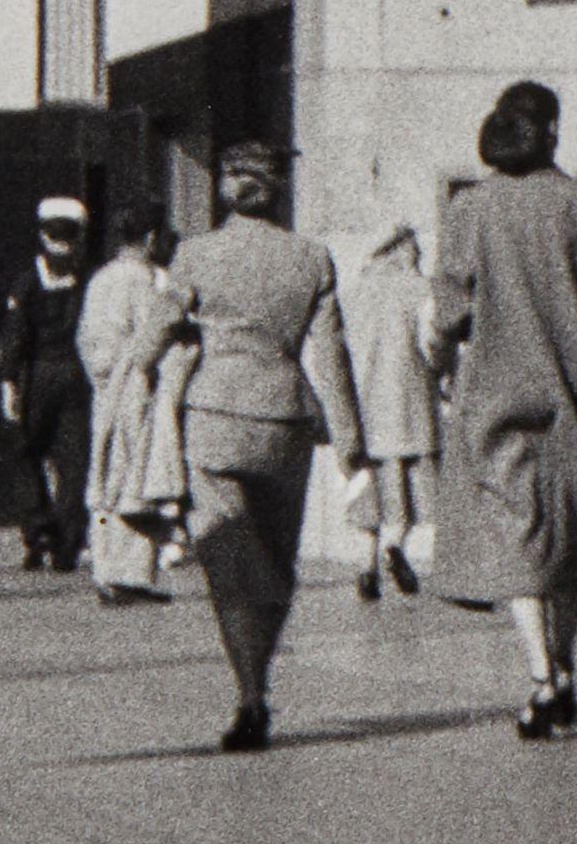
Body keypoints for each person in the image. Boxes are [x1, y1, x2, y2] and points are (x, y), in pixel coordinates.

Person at [430, 80, 577, 739]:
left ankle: (540, 673)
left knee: (514, 527)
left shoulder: (470, 209)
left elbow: (450, 311)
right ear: (553, 128)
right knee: (574, 526)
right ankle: (567, 667)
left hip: (494, 386)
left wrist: (442, 361)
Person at [174, 142, 369, 753]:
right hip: (285, 415)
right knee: (278, 559)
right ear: (278, 188)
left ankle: (250, 693)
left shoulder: (194, 254)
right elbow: (330, 355)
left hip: (212, 414)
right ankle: (262, 675)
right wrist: (350, 442)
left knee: (226, 555)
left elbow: (161, 326)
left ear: (226, 189)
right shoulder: (311, 258)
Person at [80, 210, 192, 604]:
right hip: (136, 389)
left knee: (108, 475)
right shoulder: (144, 280)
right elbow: (153, 337)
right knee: (136, 478)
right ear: (149, 237)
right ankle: (127, 575)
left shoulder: (100, 280)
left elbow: (87, 340)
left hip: (105, 387)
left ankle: (106, 569)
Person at [0, 196, 99, 574]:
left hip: (37, 375)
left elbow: (14, 336)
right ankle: (68, 540)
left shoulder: (26, 282)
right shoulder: (86, 278)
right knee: (73, 461)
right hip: (77, 375)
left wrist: (8, 381)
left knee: (26, 453)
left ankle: (38, 531)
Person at [346, 221, 438, 601]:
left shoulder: (355, 292)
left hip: (363, 405)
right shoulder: (418, 289)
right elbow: (432, 342)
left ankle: (366, 564)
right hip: (409, 402)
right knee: (411, 485)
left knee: (370, 485)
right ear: (401, 250)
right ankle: (396, 545)